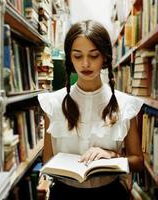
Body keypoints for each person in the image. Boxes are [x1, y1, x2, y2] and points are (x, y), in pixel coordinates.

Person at [38, 20, 144, 200]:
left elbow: (138, 161)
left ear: (105, 58)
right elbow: (48, 159)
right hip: (64, 194)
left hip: (110, 194)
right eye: (77, 56)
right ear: (70, 59)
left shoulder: (125, 104)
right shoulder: (53, 103)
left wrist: (112, 156)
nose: (85, 64)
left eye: (93, 56)